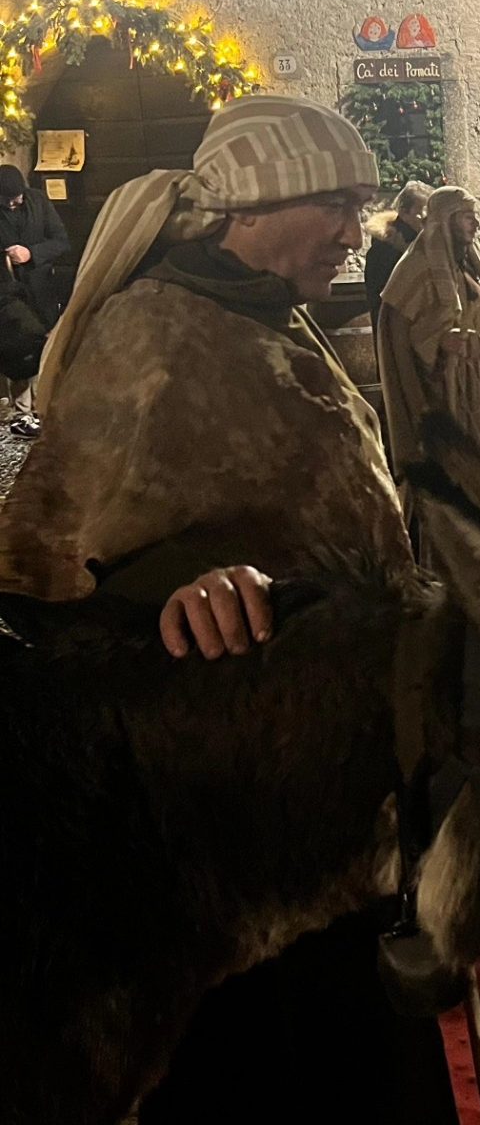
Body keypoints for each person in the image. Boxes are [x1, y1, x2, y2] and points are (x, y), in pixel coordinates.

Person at [0, 96, 455, 1123]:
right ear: (249, 207)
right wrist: (174, 583)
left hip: (322, 789)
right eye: (336, 204)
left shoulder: (272, 314)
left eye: (363, 205)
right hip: (230, 828)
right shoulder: (153, 330)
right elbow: (56, 560)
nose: (356, 231)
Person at [375, 185, 480, 527]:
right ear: (446, 220)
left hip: (466, 390)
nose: (475, 224)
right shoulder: (415, 267)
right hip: (436, 396)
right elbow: (396, 331)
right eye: (467, 217)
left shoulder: (459, 265)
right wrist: (438, 341)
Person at [0, 163, 70, 437]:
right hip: (9, 294)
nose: (14, 203)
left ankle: (45, 407)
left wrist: (31, 253)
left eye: (17, 197)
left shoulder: (38, 202)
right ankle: (22, 414)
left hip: (41, 289)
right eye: (8, 200)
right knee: (18, 351)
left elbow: (61, 241)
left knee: (46, 346)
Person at [363, 179, 433, 328]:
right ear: (403, 211)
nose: (427, 217)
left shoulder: (417, 242)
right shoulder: (386, 250)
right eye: (422, 210)